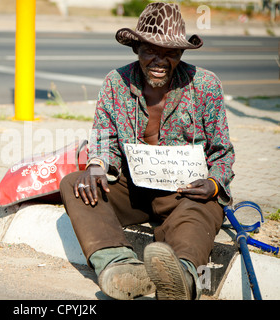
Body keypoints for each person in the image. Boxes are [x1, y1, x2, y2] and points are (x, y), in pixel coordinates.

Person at [59, 2, 235, 300]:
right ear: (136, 48)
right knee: (75, 184)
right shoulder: (116, 82)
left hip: (184, 193)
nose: (160, 60)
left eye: (170, 53)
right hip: (133, 189)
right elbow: (104, 139)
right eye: (151, 50)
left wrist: (214, 183)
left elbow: (222, 153)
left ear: (181, 54)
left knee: (207, 206)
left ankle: (182, 278)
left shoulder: (205, 85)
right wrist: (97, 166)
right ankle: (119, 267)